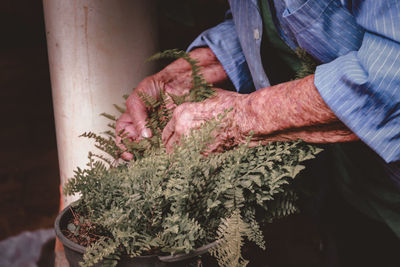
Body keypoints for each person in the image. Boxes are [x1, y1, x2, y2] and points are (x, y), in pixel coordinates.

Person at [116, 0, 400, 266]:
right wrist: (189, 71)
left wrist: (237, 118)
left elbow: (390, 74)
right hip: (355, 186)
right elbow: (266, 25)